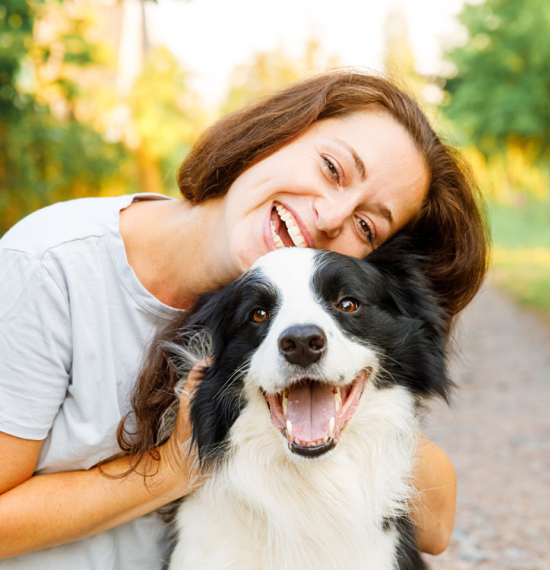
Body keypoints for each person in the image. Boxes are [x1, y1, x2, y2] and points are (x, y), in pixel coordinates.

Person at [0, 71, 488, 568]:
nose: (329, 215)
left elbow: (436, 523)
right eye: (332, 168)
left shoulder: (288, 333)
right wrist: (171, 469)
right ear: (273, 133)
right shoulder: (47, 267)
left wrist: (367, 412)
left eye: (366, 225)